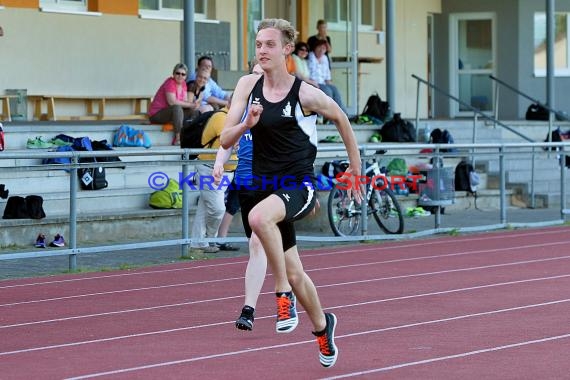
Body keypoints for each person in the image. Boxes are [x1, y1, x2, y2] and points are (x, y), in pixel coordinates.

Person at [221, 19, 363, 368]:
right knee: (299, 272)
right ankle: (322, 327)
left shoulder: (305, 93)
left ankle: (281, 291)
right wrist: (247, 125)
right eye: (258, 44)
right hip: (263, 186)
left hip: (298, 185)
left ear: (287, 49)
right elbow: (225, 139)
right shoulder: (247, 85)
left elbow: (342, 119)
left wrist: (355, 168)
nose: (262, 50)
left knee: (257, 220)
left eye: (270, 44)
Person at [189, 102, 236, 255]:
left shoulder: (236, 118)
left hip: (225, 173)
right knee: (217, 209)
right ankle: (210, 239)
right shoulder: (222, 118)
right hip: (209, 170)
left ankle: (197, 243)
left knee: (204, 208)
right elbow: (231, 143)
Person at [148, 63, 200, 145]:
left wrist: (193, 104)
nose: (180, 76)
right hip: (156, 115)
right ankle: (178, 139)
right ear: (173, 74)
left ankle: (191, 136)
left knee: (194, 111)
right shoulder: (170, 83)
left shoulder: (183, 85)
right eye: (178, 73)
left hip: (170, 114)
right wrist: (190, 104)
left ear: (186, 76)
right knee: (177, 108)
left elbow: (185, 101)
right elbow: (172, 102)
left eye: (183, 74)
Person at [308, 39, 348, 115]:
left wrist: (331, 85)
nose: (321, 50)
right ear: (315, 47)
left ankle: (343, 115)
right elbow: (309, 74)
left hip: (322, 83)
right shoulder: (310, 56)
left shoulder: (325, 58)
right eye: (319, 47)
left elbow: (327, 77)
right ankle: (331, 116)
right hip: (312, 83)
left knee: (334, 90)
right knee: (328, 91)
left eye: (323, 48)